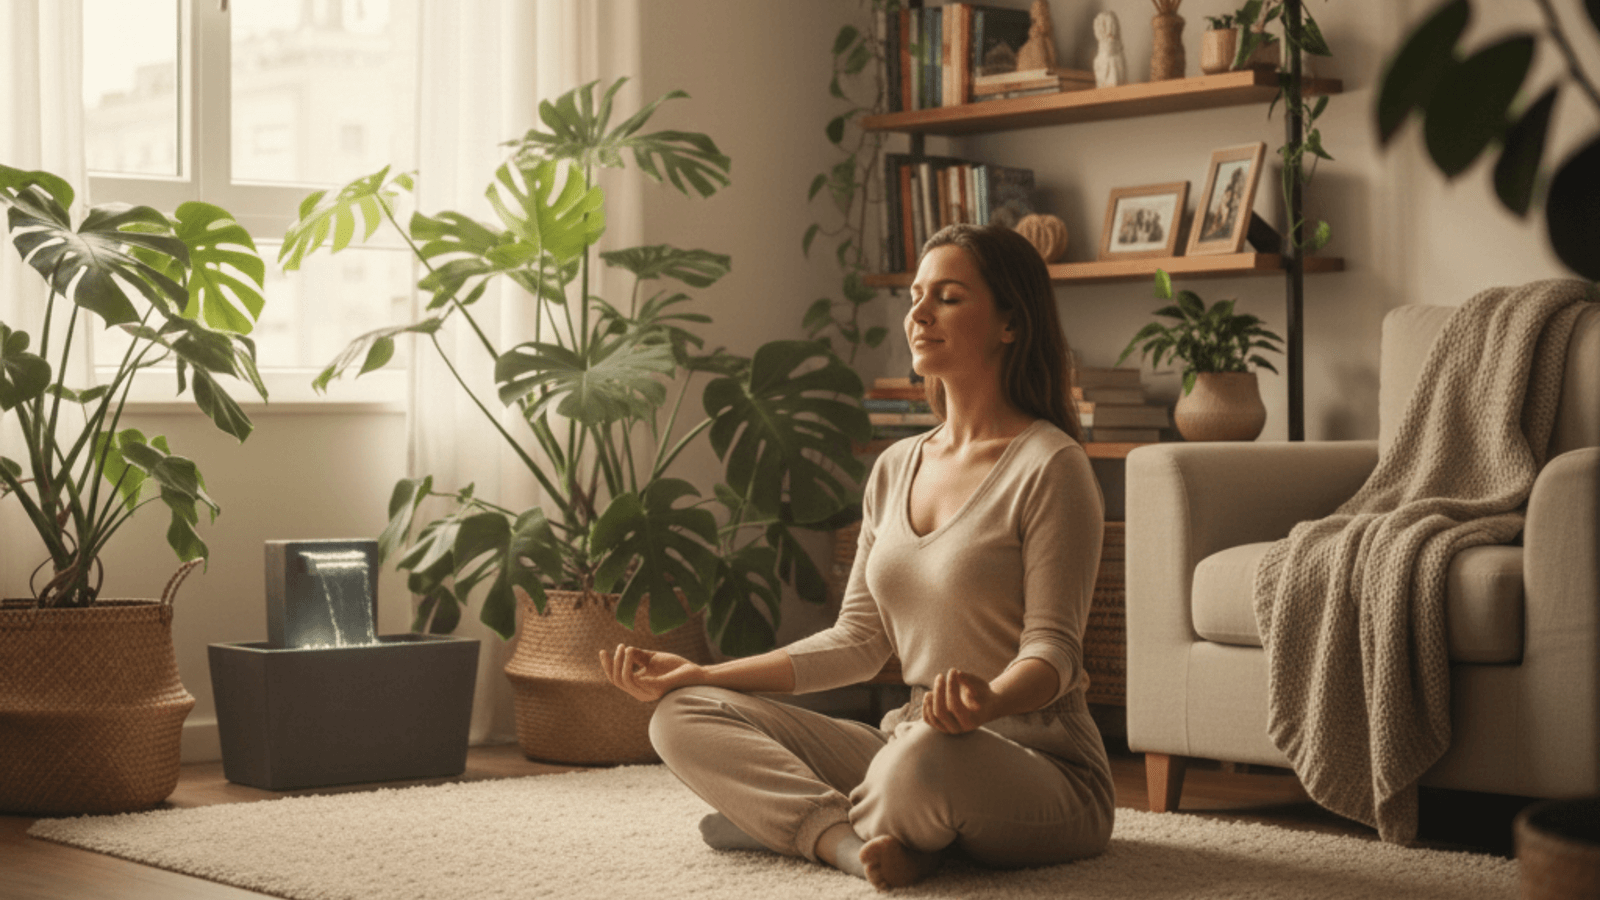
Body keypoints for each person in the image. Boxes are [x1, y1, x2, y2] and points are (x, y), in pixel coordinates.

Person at [599, 223, 1112, 892]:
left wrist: (987, 701)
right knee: (683, 713)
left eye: (948, 297)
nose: (919, 315)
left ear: (1011, 323)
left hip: (1040, 763)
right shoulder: (896, 466)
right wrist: (704, 671)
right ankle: (846, 843)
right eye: (915, 296)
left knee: (919, 763)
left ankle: (791, 820)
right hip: (906, 740)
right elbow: (858, 641)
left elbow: (1054, 653)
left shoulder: (1051, 465)